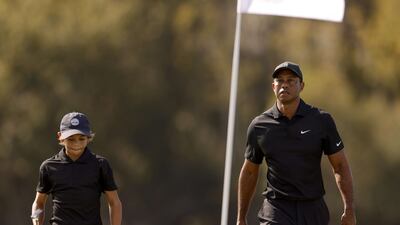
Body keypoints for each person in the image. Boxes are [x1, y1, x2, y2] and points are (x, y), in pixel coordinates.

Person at [236, 61, 356, 225]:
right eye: (280, 80)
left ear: (301, 86)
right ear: (273, 86)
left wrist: (348, 209)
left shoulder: (321, 120)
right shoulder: (259, 126)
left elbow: (340, 166)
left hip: (312, 208)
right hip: (276, 209)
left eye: (291, 80)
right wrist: (241, 218)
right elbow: (249, 172)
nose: (284, 85)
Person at [31, 112, 122, 225]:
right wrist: (36, 223)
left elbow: (114, 202)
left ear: (89, 137)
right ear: (60, 136)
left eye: (81, 138)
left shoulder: (100, 165)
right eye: (71, 139)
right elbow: (38, 203)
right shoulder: (48, 167)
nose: (76, 143)